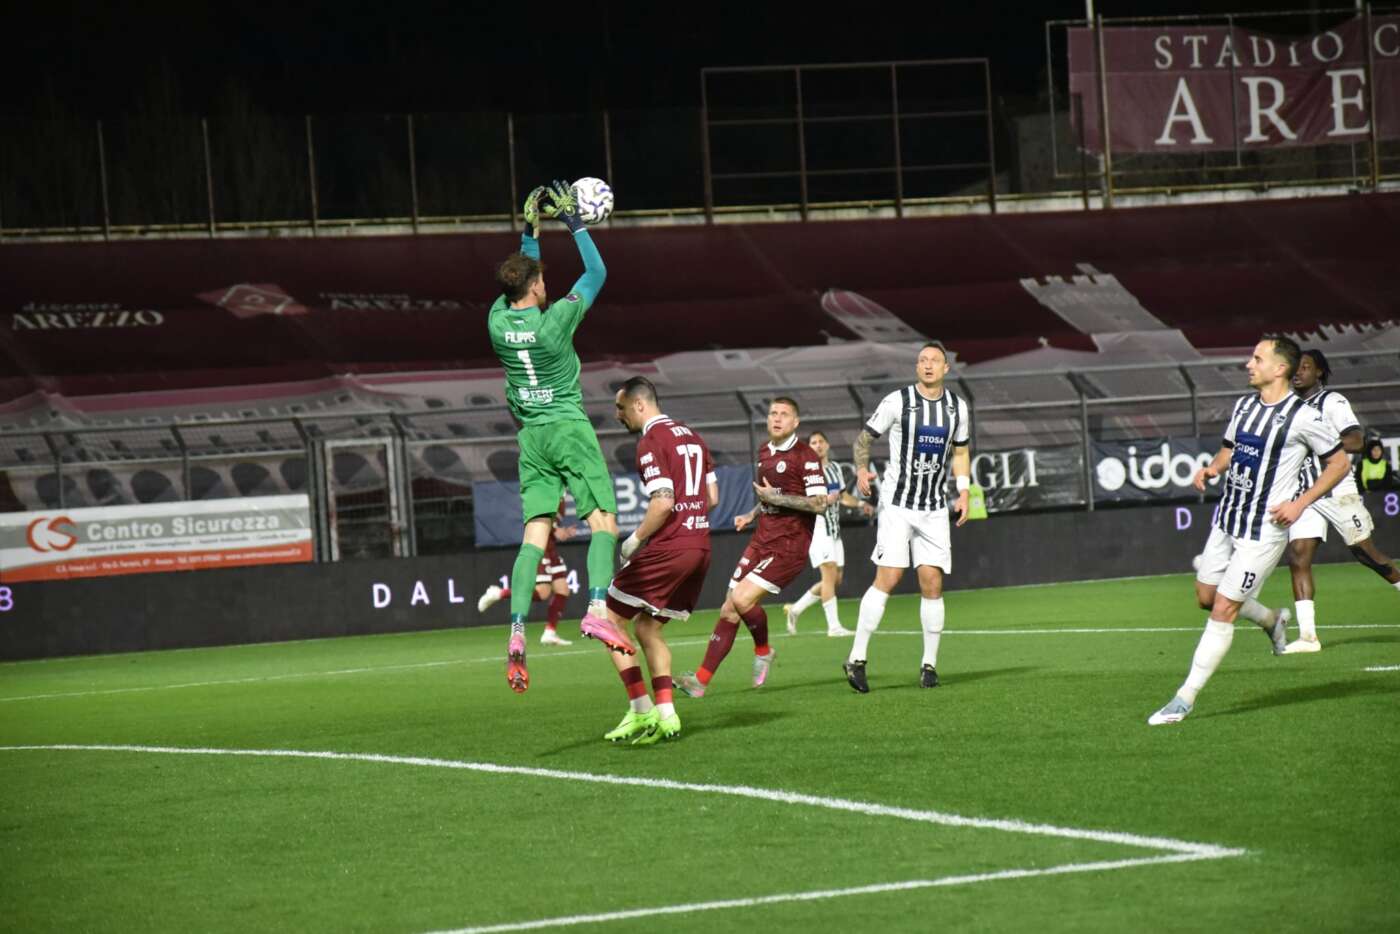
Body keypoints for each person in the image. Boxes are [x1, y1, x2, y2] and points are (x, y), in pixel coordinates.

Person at [1149, 336, 1350, 725]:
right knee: (1206, 597)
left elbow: (1339, 464)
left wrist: (1300, 503)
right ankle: (1273, 620)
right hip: (1227, 518)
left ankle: (1183, 699)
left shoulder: (1304, 416)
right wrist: (1213, 468)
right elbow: (1230, 448)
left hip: (1263, 531)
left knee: (1224, 609)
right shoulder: (1244, 406)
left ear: (1280, 368)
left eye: (1257, 358)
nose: (1248, 364)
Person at [488, 181, 634, 693]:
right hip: (568, 429)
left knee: (534, 534)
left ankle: (516, 631)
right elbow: (597, 274)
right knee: (604, 523)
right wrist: (574, 224)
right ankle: (596, 609)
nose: (546, 285)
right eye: (542, 280)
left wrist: (529, 231)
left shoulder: (497, 322)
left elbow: (517, 277)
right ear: (535, 289)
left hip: (531, 438)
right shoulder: (555, 323)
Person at [676, 397, 827, 697]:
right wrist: (752, 513)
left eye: (784, 414)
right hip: (762, 539)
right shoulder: (764, 451)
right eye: (773, 413)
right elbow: (769, 495)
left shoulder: (805, 456)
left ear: (795, 422)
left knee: (742, 599)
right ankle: (700, 681)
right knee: (729, 608)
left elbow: (820, 503)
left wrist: (776, 499)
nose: (777, 418)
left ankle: (763, 650)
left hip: (789, 544)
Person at [843, 341, 971, 694]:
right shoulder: (897, 401)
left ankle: (929, 665)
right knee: (890, 576)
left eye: (934, 360)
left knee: (932, 583)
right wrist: (862, 470)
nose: (928, 365)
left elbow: (961, 451)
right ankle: (857, 658)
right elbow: (863, 440)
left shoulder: (957, 407)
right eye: (922, 360)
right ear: (917, 367)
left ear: (946, 368)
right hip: (897, 505)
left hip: (934, 508)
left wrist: (963, 491)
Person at [600, 377, 719, 744]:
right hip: (700, 548)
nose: (617, 415)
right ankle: (667, 715)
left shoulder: (651, 440)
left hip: (671, 548)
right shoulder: (693, 436)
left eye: (621, 408)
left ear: (639, 404)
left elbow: (663, 501)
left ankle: (640, 708)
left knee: (607, 620)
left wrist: (635, 540)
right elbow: (712, 497)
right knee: (648, 629)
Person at [1284, 350, 1400, 653]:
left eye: (1305, 367)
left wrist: (1318, 445)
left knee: (1366, 553)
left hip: (1337, 490)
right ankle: (1308, 637)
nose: (1298, 372)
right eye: (1295, 367)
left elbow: (1357, 440)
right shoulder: (1289, 408)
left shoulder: (1332, 402)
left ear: (1319, 372)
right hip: (1305, 494)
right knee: (1298, 556)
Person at [782, 430, 873, 638]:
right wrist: (823, 501)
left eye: (821, 441)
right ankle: (834, 627)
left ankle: (795, 609)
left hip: (834, 528)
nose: (818, 445)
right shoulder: (805, 472)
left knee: (835, 579)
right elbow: (801, 502)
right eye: (813, 442)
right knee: (829, 573)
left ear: (827, 445)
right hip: (817, 527)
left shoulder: (835, 469)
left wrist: (861, 504)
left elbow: (842, 496)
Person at [477, 500, 577, 646]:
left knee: (562, 589)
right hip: (541, 548)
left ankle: (549, 633)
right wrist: (556, 530)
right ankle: (499, 593)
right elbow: (538, 516)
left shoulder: (560, 498)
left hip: (551, 548)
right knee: (543, 592)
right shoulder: (550, 492)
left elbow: (550, 521)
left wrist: (561, 531)